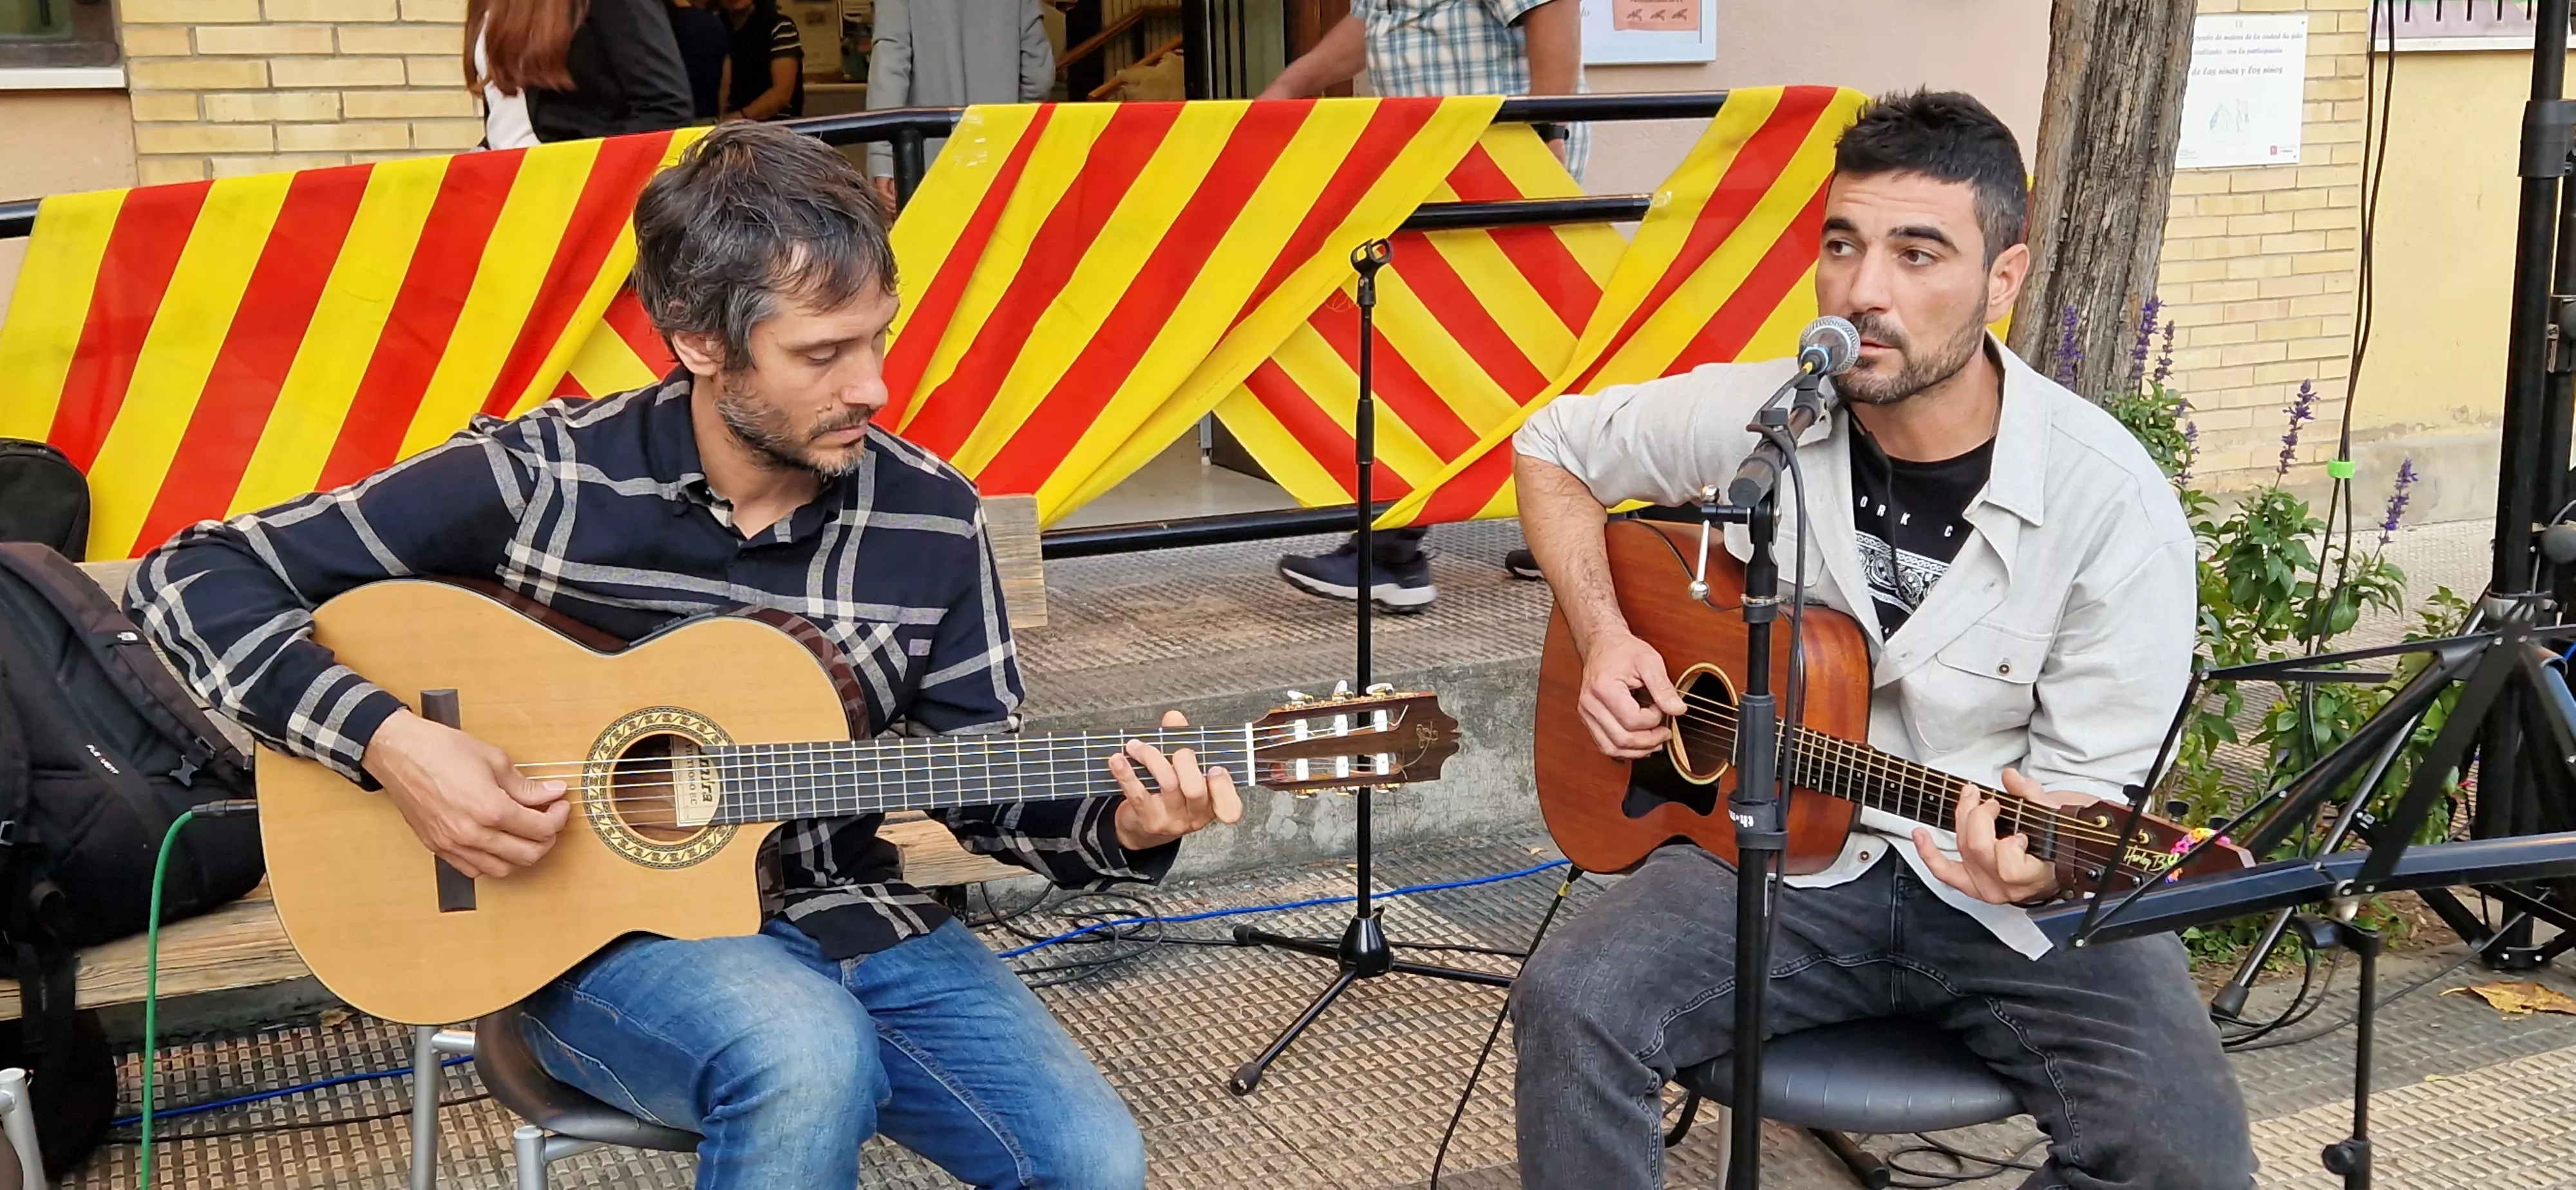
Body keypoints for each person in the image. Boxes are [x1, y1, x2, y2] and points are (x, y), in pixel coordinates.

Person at [128, 122, 1236, 1190]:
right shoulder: (539, 477)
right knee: (806, 1056)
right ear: (699, 339)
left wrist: (1130, 823)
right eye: (823, 352)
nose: (874, 387)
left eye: (878, 336)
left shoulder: (928, 518)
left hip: (856, 912)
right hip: (597, 941)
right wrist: (394, 741)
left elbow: (986, 780)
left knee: (1092, 1161)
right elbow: (185, 575)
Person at [1504, 91, 2256, 1189]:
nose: (1865, 291)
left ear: (2003, 278)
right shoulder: (1775, 416)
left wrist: (2042, 862)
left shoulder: (2111, 507)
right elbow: (1551, 448)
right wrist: (1607, 631)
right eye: (1843, 245)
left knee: (2185, 1156)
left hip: (2002, 899)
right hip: (1781, 862)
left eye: (1918, 253)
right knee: (1572, 1002)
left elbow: (2090, 797)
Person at [1262, 0, 1586, 610]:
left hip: (1496, 166)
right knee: (1517, 358)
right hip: (1426, 168)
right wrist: (1290, 86)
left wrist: (1548, 131)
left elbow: (1553, 7)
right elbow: (1377, 23)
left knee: (1437, 358)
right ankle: (1598, 527)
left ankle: (1392, 553)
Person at [864, 0, 1056, 212]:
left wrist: (883, 159)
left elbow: (890, 64)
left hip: (928, 162)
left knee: (930, 242)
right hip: (1002, 156)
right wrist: (1016, 118)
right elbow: (1039, 73)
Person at [466, 0, 694, 148]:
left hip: (575, 195)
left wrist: (591, 173)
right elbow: (510, 115)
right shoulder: (487, 6)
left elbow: (666, 107)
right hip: (506, 190)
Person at [715, 0, 803, 122]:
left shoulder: (778, 26)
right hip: (726, 129)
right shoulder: (715, 29)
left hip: (775, 129)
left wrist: (740, 117)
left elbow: (781, 93)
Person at [666, 0, 731, 120]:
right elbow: (725, 78)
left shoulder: (651, 27)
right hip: (708, 122)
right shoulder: (712, 24)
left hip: (659, 124)